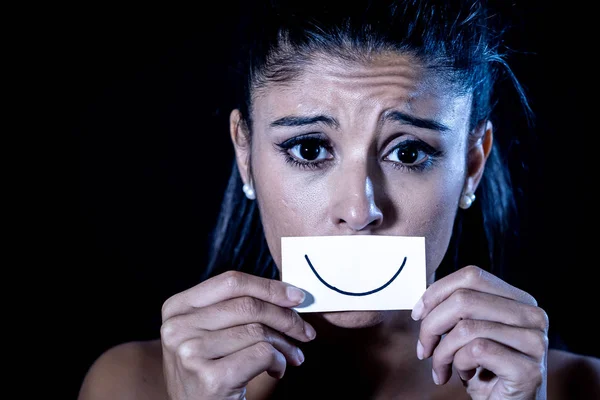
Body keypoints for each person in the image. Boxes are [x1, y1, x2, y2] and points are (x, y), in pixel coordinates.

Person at [77, 0, 600, 399]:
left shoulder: (579, 387)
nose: (358, 209)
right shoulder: (130, 385)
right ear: (245, 156)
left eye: (410, 153)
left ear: (472, 166)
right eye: (308, 148)